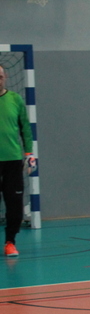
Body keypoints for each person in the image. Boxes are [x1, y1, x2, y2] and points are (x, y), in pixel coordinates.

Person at [0, 65, 35, 257]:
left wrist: (29, 154)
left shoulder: (15, 99)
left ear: (5, 77)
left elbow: (25, 128)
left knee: (14, 204)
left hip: (13, 162)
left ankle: (10, 242)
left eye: (0, 76)